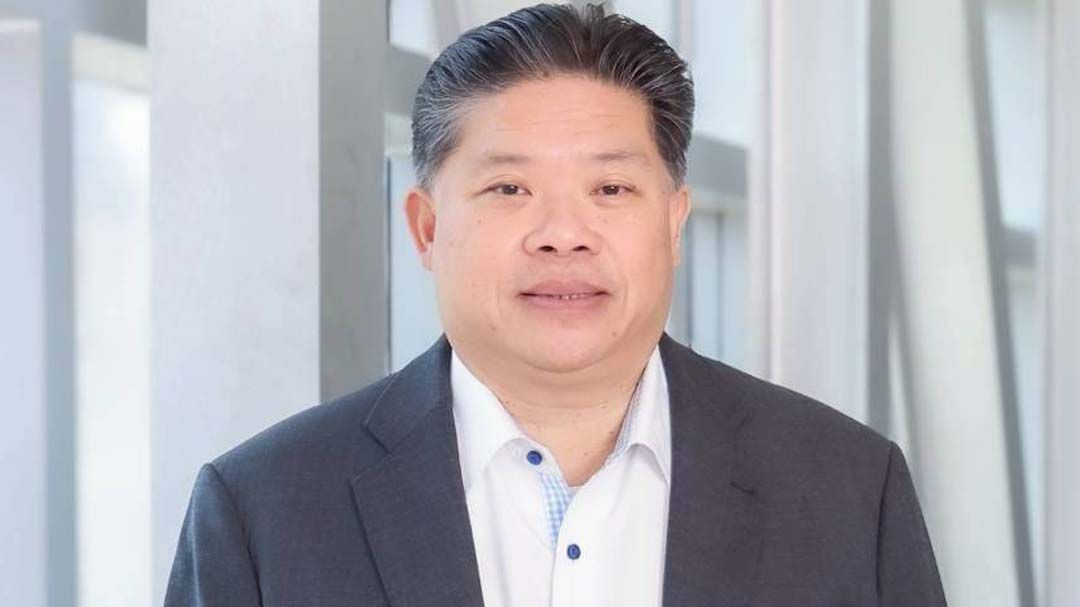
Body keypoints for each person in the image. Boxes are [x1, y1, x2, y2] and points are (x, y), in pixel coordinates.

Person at [164, 3, 946, 606]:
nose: (564, 234)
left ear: (674, 224)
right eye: (510, 188)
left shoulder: (847, 489)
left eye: (611, 188)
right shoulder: (263, 509)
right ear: (428, 228)